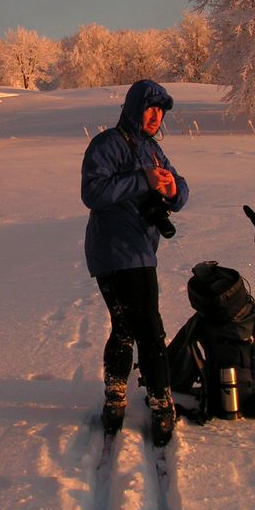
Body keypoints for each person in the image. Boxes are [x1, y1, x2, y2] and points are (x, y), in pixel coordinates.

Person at [81, 79, 189, 446]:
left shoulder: (153, 149)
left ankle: (115, 397)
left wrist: (172, 189)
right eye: (150, 108)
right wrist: (140, 180)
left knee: (125, 324)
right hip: (116, 250)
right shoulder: (108, 144)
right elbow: (93, 192)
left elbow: (180, 188)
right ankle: (161, 404)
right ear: (133, 108)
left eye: (161, 110)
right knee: (149, 329)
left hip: (137, 248)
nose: (156, 116)